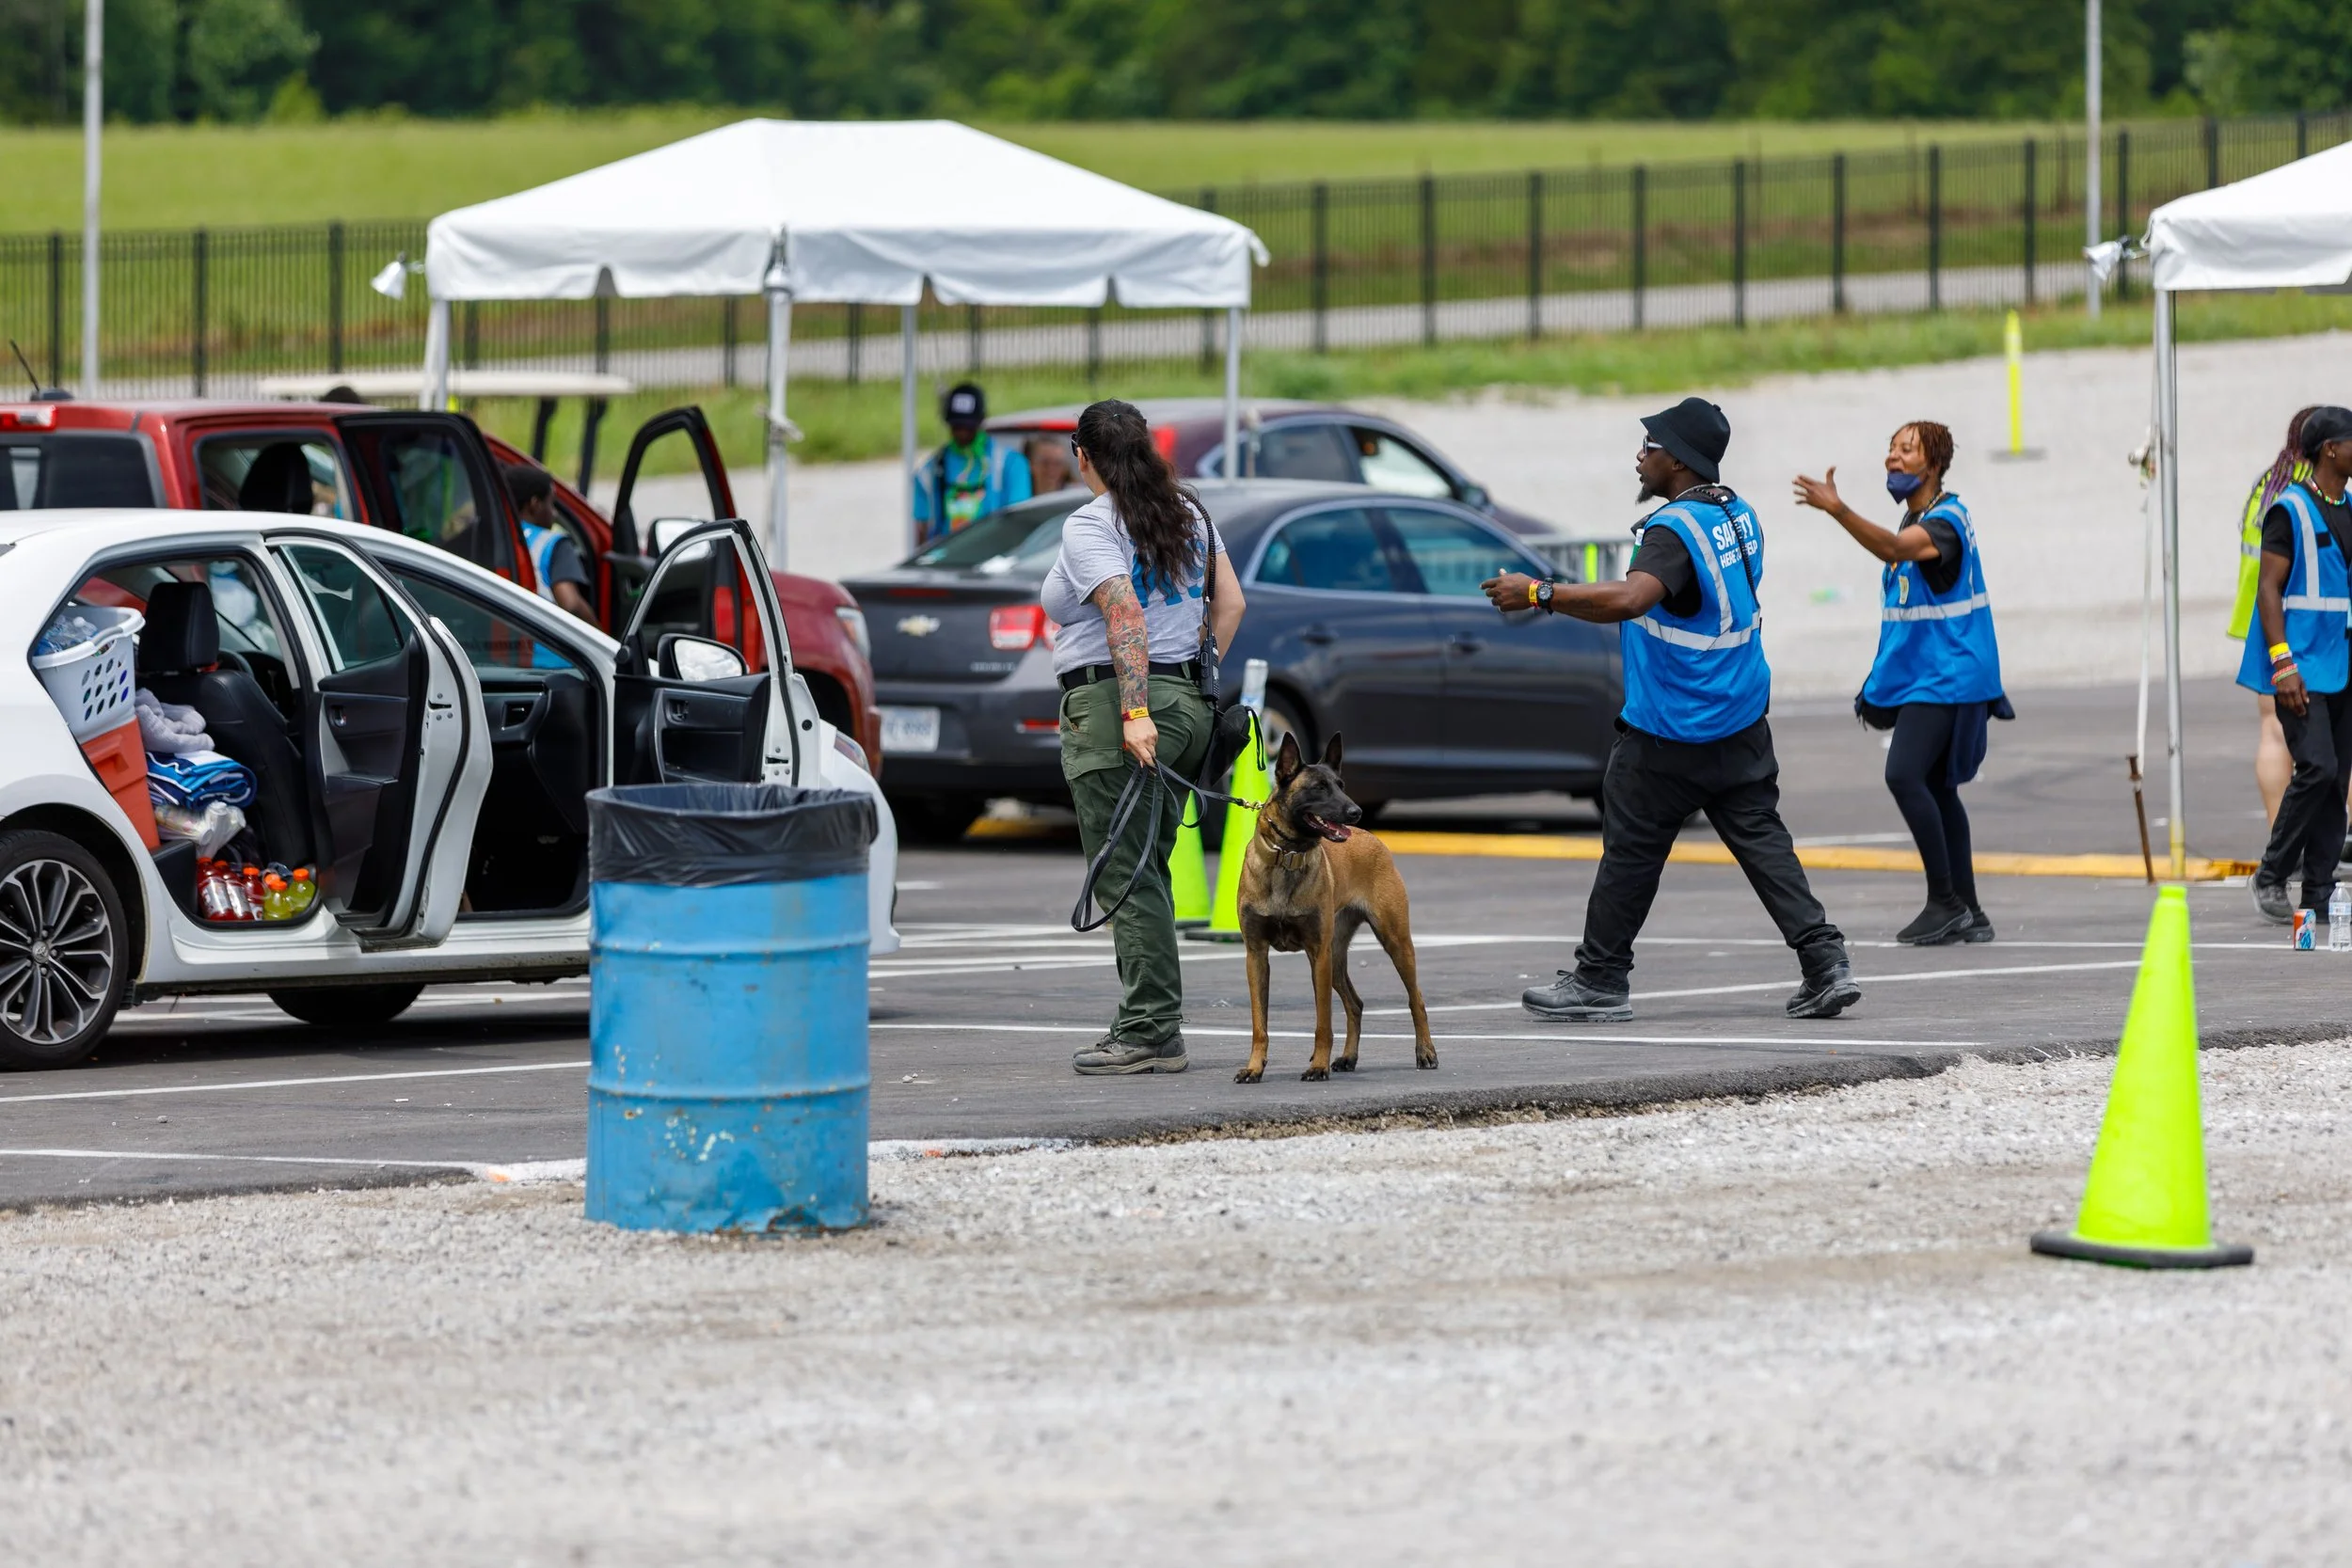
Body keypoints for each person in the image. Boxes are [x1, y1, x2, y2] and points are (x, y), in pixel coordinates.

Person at [1478, 397, 1860, 1022]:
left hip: (1671, 726)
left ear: (1678, 460)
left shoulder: (1671, 533)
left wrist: (1539, 592)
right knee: (1763, 841)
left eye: (1650, 445)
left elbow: (1632, 598)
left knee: (1630, 850)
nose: (1640, 455)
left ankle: (1600, 977)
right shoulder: (1737, 514)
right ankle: (1825, 962)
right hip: (1738, 714)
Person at [1040, 400, 1245, 1074]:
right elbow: (1232, 603)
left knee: (1125, 872)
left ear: (1084, 455)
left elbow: (1124, 614)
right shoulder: (1189, 513)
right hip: (1186, 702)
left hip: (1116, 705)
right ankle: (1152, 1020)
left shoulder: (1092, 523)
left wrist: (1135, 710)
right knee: (1146, 869)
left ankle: (1151, 1026)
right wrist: (1185, 682)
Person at [1792, 421, 2010, 946]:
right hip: (1931, 677)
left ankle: (1946, 902)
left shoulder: (1944, 523)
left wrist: (1838, 509)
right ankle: (1971, 912)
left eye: (1906, 450)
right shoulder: (1922, 517)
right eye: (1890, 449)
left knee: (1905, 775)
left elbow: (1892, 547)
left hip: (1949, 677)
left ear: (1932, 465)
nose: (1893, 458)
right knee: (1938, 788)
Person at [2244, 405, 2352, 925]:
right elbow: (2269, 589)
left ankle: (2318, 892)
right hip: (2301, 664)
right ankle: (2270, 871)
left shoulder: (2348, 505)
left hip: (2343, 663)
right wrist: (2282, 664)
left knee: (2336, 781)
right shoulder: (2290, 509)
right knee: (2318, 768)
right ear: (2330, 449)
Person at [2233, 407, 2318, 827]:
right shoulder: (2319, 489)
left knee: (2273, 729)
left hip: (2259, 622)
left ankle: (2278, 835)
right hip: (2310, 622)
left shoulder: (2267, 484)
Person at [913, 382, 1032, 546]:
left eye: (968, 426)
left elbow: (1018, 523)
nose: (962, 432)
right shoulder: (930, 471)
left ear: (981, 422)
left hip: (993, 559)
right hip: (946, 560)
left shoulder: (1011, 464)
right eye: (957, 426)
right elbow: (921, 528)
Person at [502, 465, 596, 625]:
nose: (555, 513)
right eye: (551, 504)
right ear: (535, 504)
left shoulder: (493, 536)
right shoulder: (553, 543)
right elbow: (571, 605)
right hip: (541, 646)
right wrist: (603, 639)